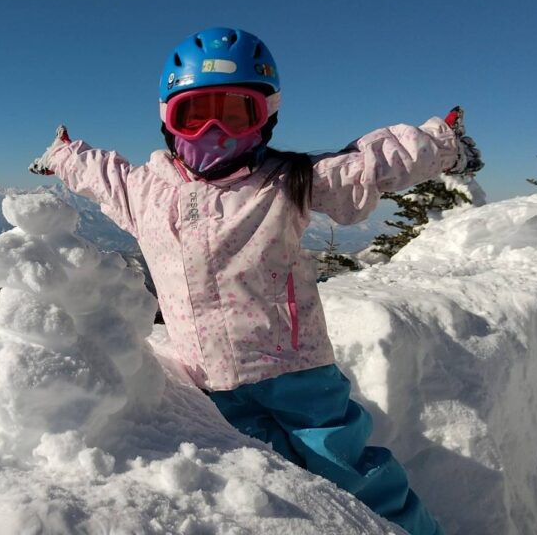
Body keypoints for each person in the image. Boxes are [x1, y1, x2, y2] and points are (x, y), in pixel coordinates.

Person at [29, 26, 482, 535]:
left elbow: (368, 165)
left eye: (235, 113)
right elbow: (102, 173)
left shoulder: (288, 180)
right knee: (266, 488)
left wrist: (442, 144)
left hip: (297, 372)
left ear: (265, 120)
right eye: (194, 115)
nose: (213, 131)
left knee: (350, 474)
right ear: (168, 120)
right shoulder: (146, 192)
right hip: (212, 382)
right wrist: (64, 156)